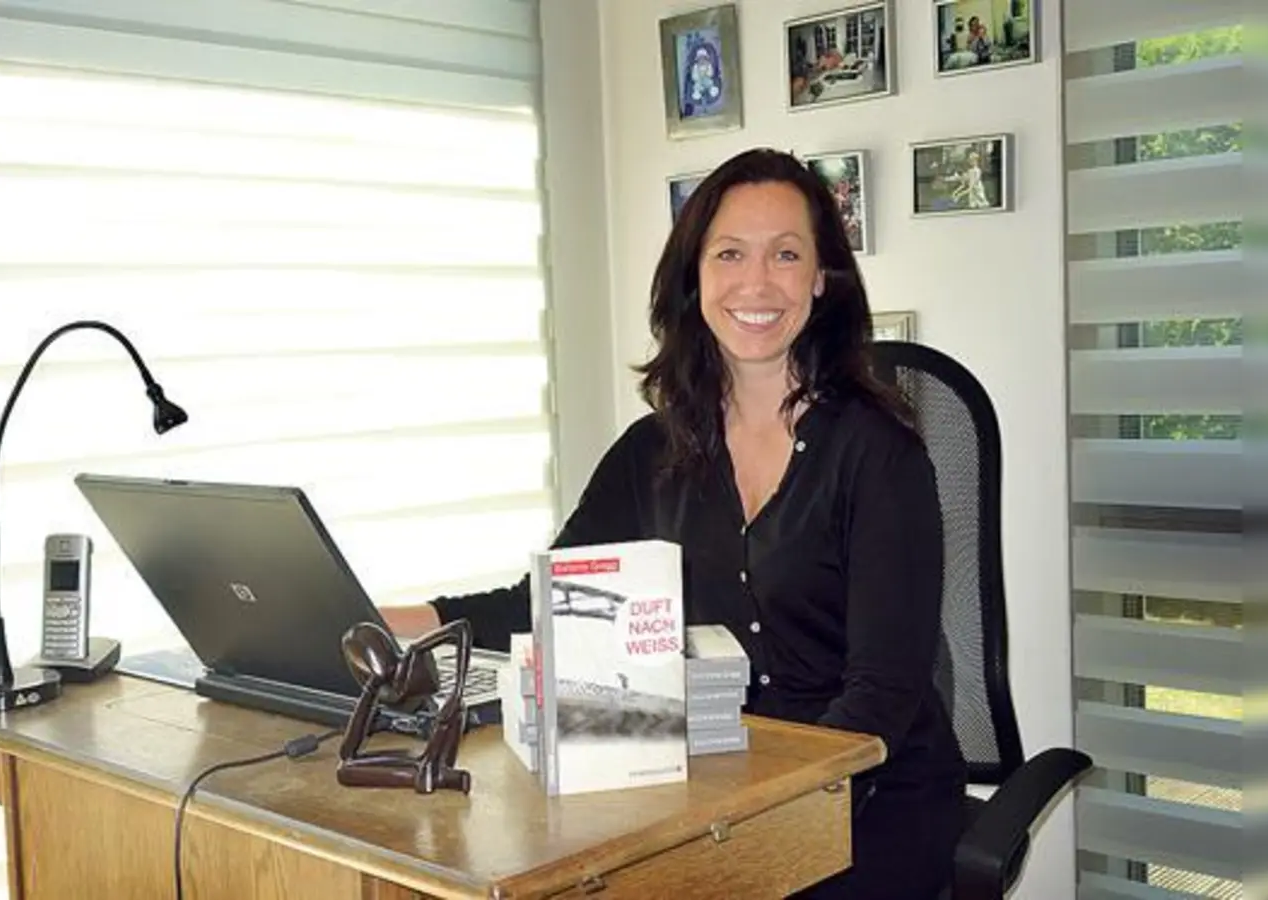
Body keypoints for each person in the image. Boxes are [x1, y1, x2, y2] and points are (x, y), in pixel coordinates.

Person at [380, 147, 965, 899]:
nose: (757, 283)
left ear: (822, 279)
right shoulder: (653, 451)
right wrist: (401, 620)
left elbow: (881, 696)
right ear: (696, 274)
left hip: (869, 801)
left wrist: (754, 820)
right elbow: (552, 604)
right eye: (730, 254)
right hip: (716, 789)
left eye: (786, 255)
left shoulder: (880, 454)